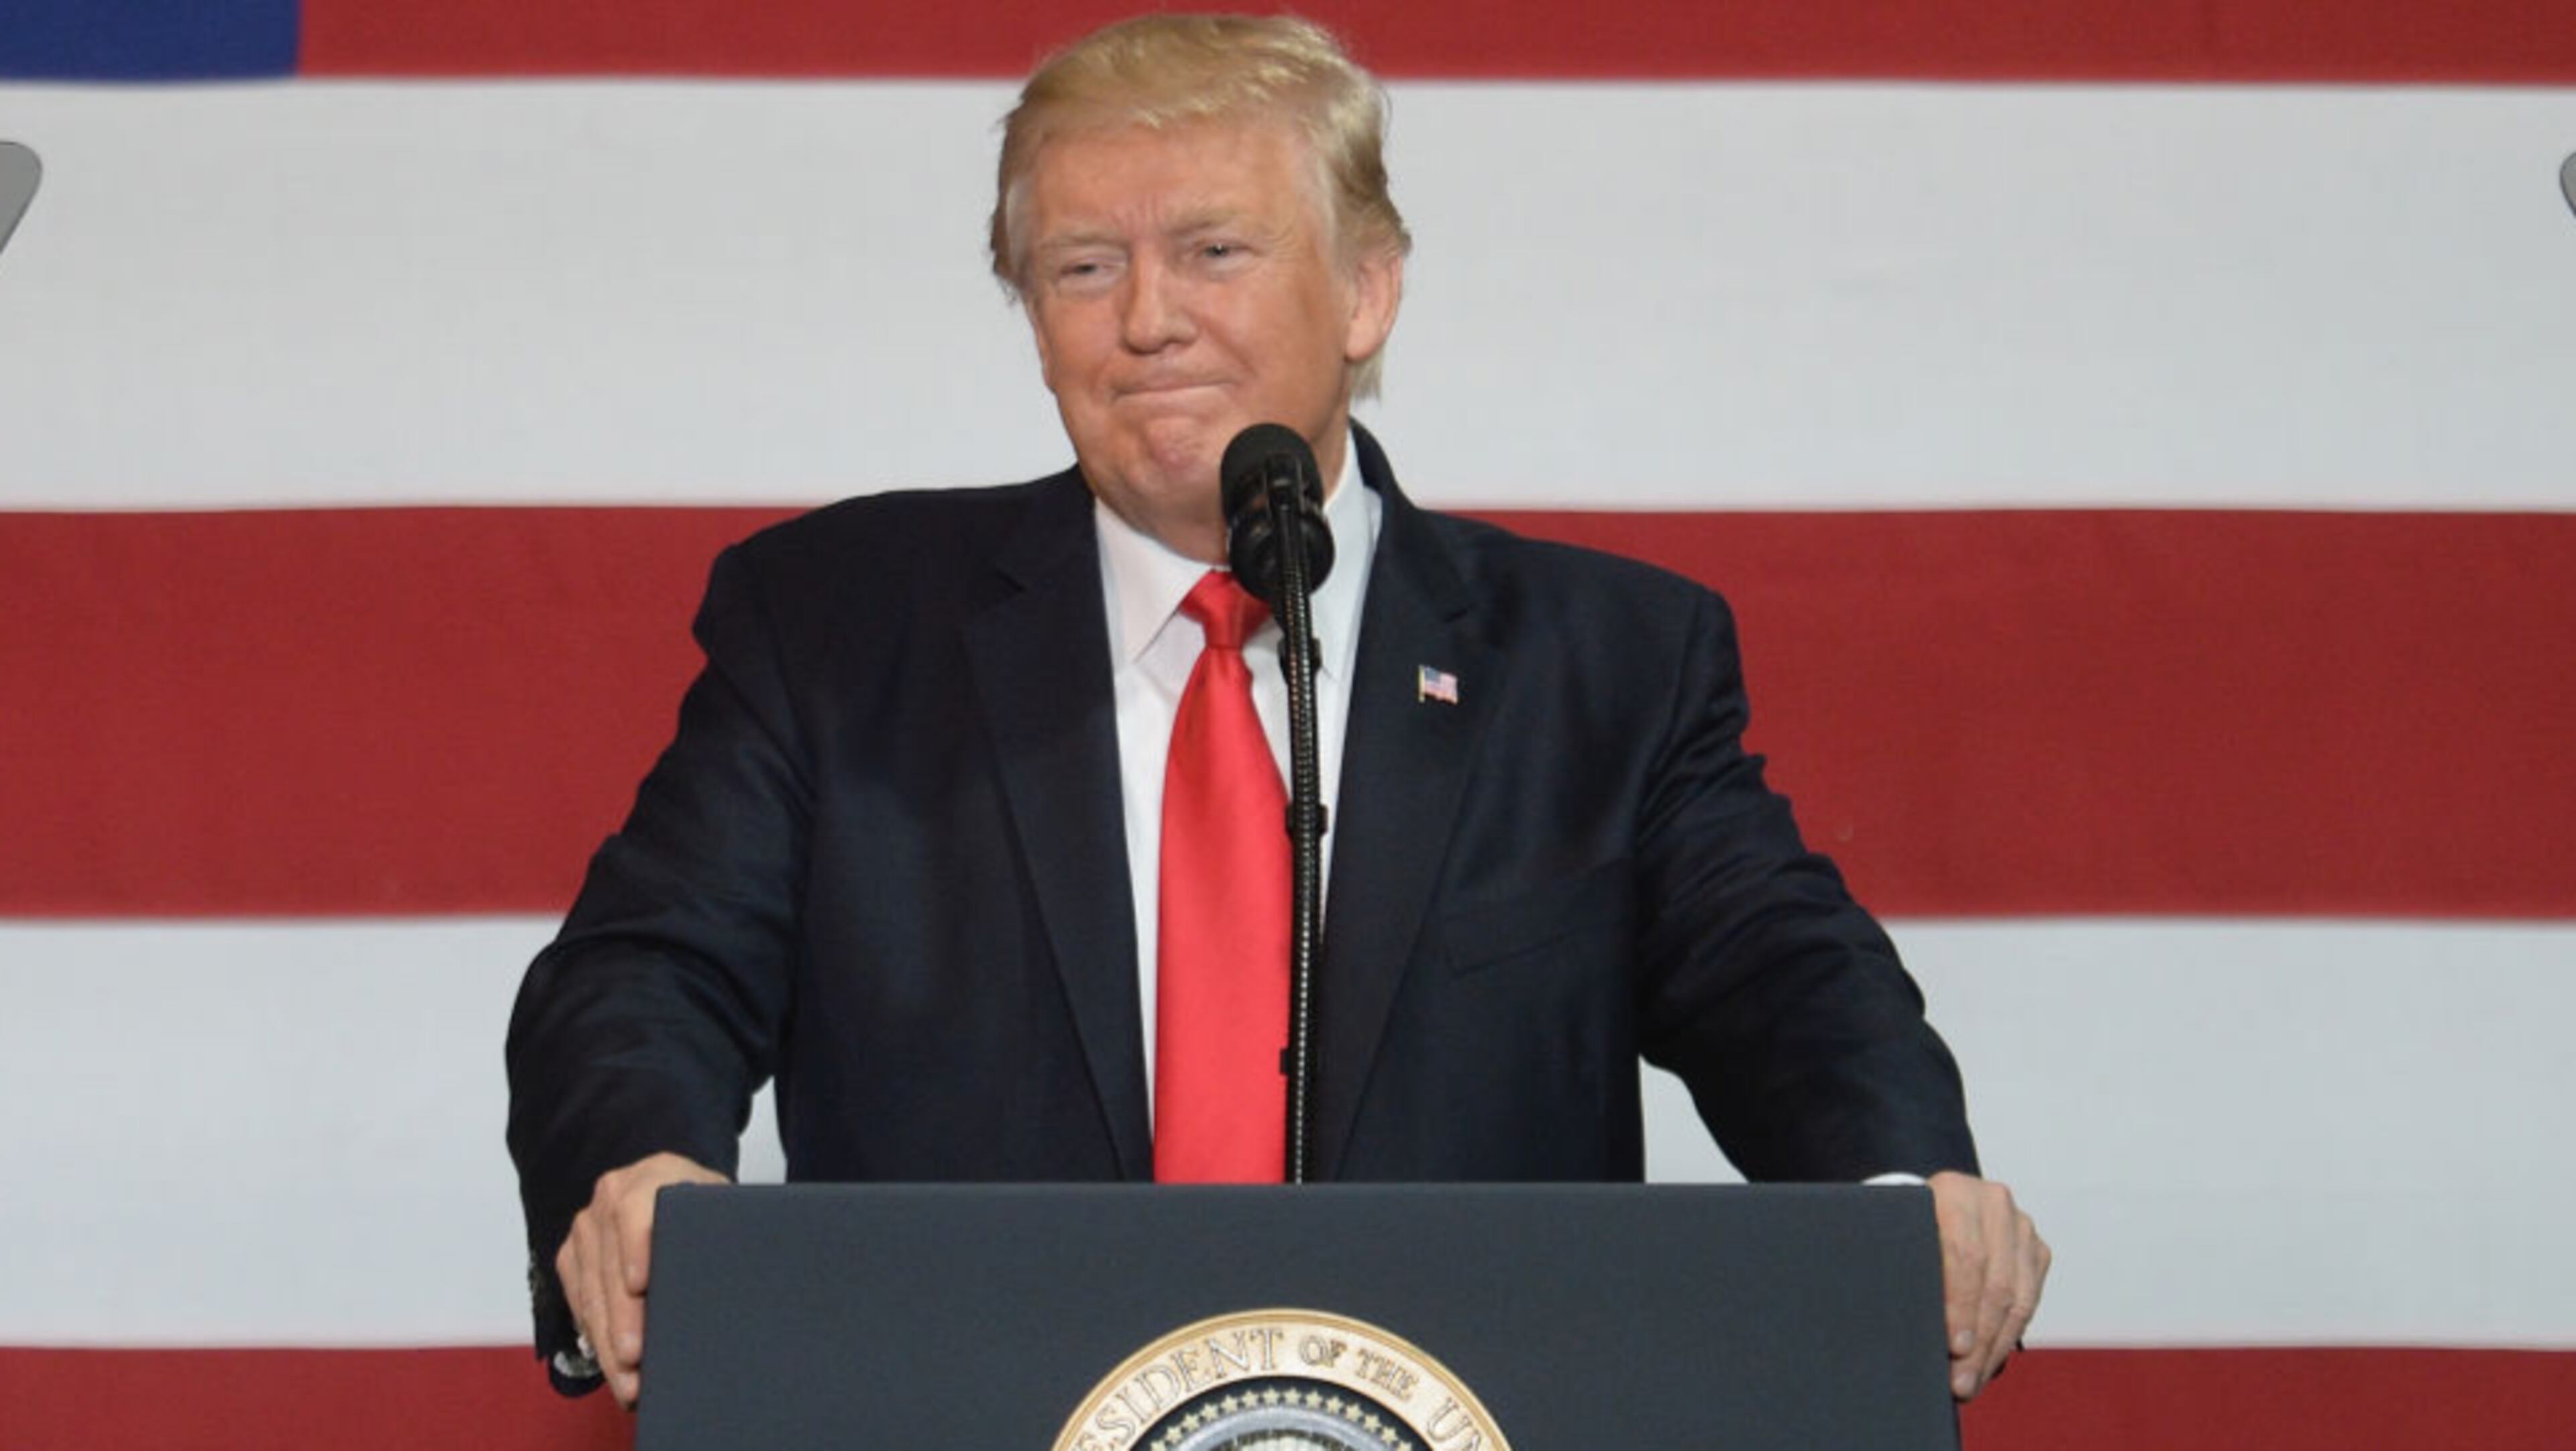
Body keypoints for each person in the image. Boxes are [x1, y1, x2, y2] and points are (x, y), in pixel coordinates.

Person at [506, 11, 2048, 1413]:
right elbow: (646, 968)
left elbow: (1786, 979)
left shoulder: (1601, 663)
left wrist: (1899, 1178)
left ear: (1368, 289)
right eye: (1083, 266)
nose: (1148, 320)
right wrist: (642, 1165)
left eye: (1215, 252)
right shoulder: (840, 626)